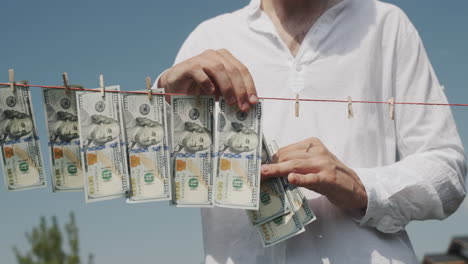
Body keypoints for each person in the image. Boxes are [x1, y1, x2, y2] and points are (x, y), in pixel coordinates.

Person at [154, 0, 467, 263]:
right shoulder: (210, 36)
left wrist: (362, 187)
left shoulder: (388, 25)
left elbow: (447, 168)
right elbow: (151, 174)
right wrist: (169, 105)